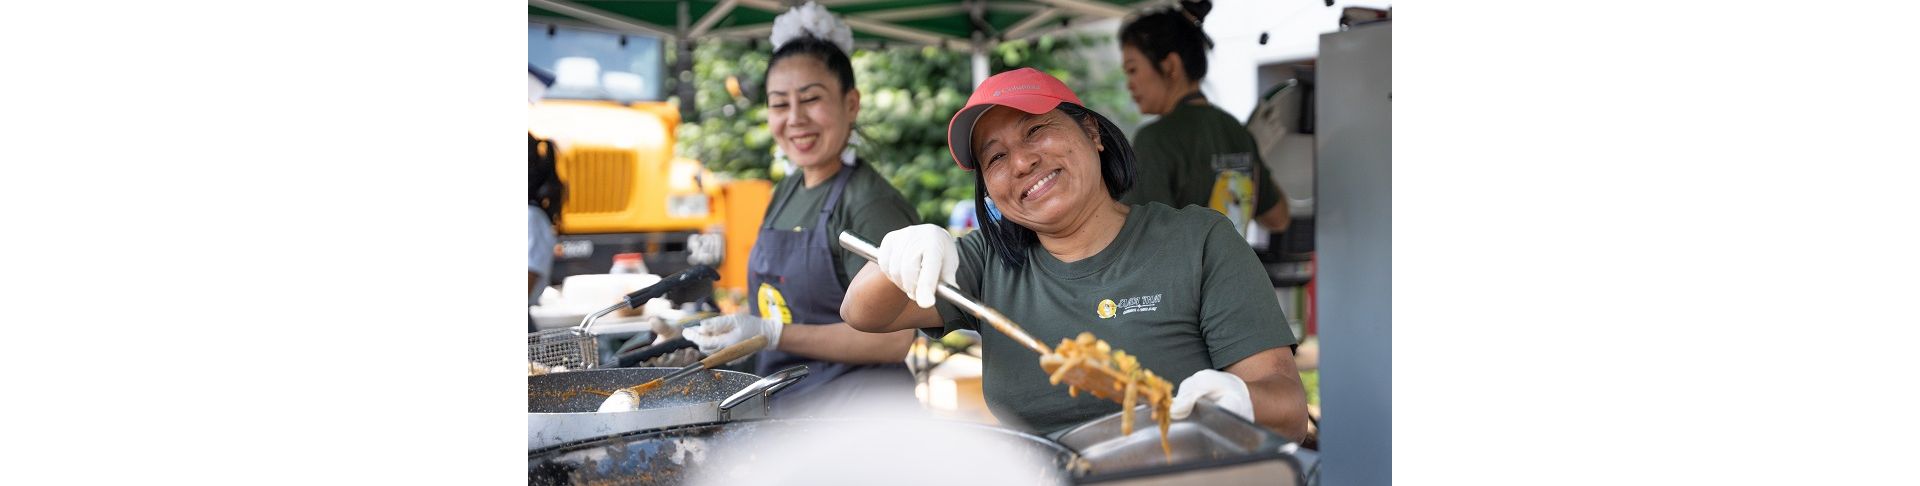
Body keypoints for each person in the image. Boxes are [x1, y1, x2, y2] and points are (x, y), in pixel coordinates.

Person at [840, 68, 1310, 440]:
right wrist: (901, 253)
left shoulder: (1199, 241)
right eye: (996, 157)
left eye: (1036, 130)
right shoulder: (989, 260)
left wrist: (1237, 400)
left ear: (1093, 133)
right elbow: (862, 313)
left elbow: (1288, 411)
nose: (1021, 162)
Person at [682, 2, 920, 417]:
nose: (794, 118)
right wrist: (725, 331)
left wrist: (773, 334)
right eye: (779, 104)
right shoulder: (788, 187)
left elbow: (894, 340)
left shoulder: (871, 204)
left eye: (811, 99)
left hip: (862, 424)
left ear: (851, 104)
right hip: (788, 415)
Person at [1117, 0, 1290, 234]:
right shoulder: (1236, 131)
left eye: (1132, 70)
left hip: (1184, 272)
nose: (1129, 85)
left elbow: (1142, 239)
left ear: (1170, 66)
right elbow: (1278, 219)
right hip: (1234, 269)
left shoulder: (1156, 138)